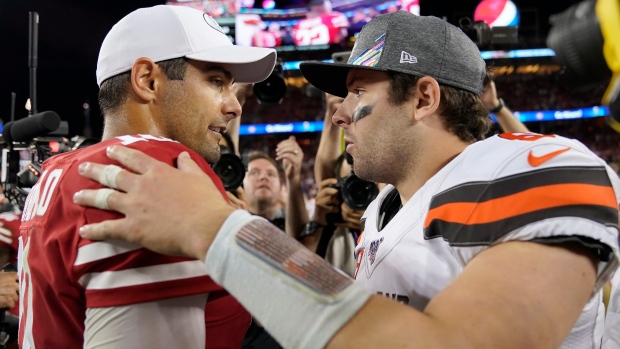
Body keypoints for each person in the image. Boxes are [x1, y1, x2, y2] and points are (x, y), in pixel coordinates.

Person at [73, 11, 619, 349]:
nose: (338, 114)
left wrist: (215, 228)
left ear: (424, 98)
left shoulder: (541, 166)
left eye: (360, 94)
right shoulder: (383, 206)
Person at [18, 5, 276, 348]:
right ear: (148, 81)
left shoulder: (59, 167)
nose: (234, 106)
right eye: (216, 81)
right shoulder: (154, 166)